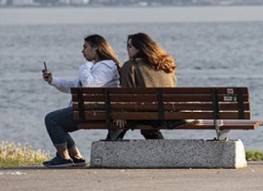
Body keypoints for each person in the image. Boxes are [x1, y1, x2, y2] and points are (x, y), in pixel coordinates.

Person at [42, 34, 120, 168]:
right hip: (91, 110)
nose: (82, 51)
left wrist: (85, 66)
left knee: (52, 119)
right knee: (58, 122)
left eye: (85, 47)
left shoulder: (106, 66)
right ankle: (76, 157)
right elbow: (76, 85)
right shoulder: (100, 66)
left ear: (96, 48)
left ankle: (63, 157)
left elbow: (89, 86)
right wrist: (52, 80)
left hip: (95, 112)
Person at [110, 32, 177, 140]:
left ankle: (110, 146)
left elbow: (126, 94)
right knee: (148, 129)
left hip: (145, 114)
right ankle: (163, 150)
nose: (127, 49)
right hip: (167, 114)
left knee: (118, 121)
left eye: (130, 46)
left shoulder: (130, 66)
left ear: (140, 48)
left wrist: (120, 113)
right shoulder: (166, 65)